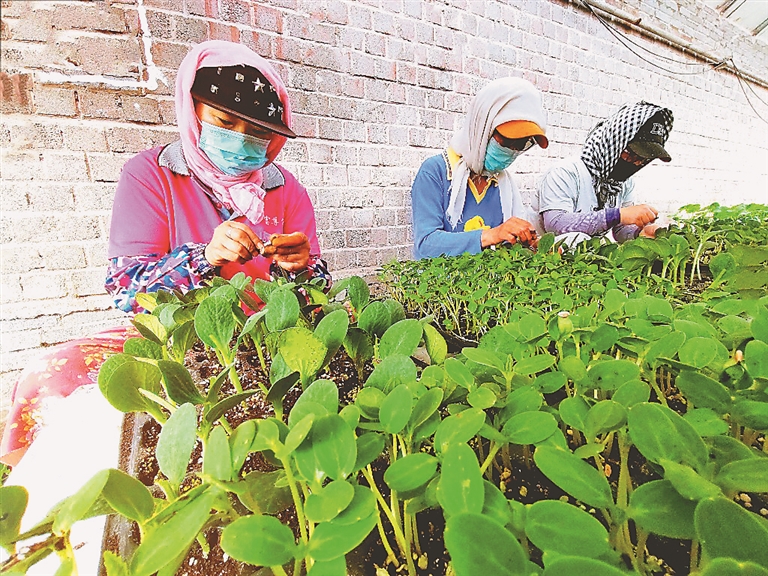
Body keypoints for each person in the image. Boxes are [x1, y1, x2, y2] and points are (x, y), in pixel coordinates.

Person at [1, 40, 329, 466]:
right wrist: (204, 257)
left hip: (264, 337)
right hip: (174, 338)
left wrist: (301, 269)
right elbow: (127, 290)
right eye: (225, 122)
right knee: (51, 374)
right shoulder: (149, 176)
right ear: (193, 109)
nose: (242, 141)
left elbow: (316, 296)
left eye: (258, 133)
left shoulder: (287, 190)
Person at [410, 77, 548, 259]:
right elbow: (425, 244)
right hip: (443, 278)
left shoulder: (503, 185)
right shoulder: (435, 172)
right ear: (483, 128)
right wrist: (491, 235)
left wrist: (534, 246)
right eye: (508, 141)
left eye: (521, 145)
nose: (512, 152)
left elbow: (509, 247)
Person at [538, 101, 674, 246]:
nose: (635, 164)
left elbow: (620, 229)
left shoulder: (623, 183)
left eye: (643, 160)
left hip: (588, 254)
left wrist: (639, 233)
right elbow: (555, 224)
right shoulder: (565, 173)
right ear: (614, 143)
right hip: (549, 256)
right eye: (631, 155)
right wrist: (616, 215)